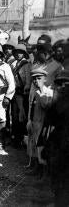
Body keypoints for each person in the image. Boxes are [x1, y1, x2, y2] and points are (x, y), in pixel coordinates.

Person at [46, 70, 69, 207]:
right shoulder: (59, 100)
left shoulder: (61, 101)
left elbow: (51, 118)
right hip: (60, 143)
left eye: (65, 84)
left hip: (63, 146)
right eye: (59, 84)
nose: (62, 87)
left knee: (61, 179)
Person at [26, 68, 53, 175]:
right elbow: (30, 107)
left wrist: (42, 90)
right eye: (34, 79)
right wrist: (29, 120)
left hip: (43, 123)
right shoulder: (34, 92)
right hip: (34, 122)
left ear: (45, 79)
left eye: (39, 78)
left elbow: (45, 105)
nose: (36, 81)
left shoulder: (48, 92)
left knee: (40, 145)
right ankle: (34, 165)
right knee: (32, 143)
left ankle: (42, 169)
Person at [11, 44, 31, 148]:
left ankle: (24, 139)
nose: (18, 54)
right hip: (14, 92)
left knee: (22, 116)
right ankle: (16, 138)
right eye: (16, 52)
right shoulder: (13, 64)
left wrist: (25, 91)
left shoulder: (27, 65)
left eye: (20, 52)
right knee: (14, 115)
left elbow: (28, 80)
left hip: (23, 94)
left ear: (24, 54)